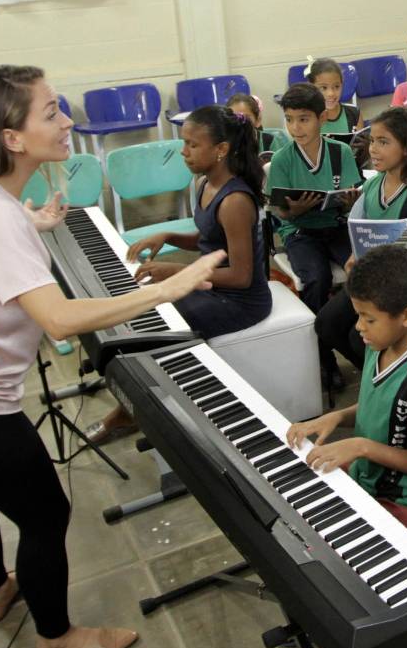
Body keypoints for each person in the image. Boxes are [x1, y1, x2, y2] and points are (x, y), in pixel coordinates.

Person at [0, 65, 222, 648]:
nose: (68, 120)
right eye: (51, 112)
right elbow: (59, 320)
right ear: (12, 137)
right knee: (46, 514)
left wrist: (33, 223)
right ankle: (56, 639)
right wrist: (164, 291)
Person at [286, 245, 407, 648]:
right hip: (373, 477)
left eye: (367, 318)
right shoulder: (385, 349)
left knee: (349, 560)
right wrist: (337, 419)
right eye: (357, 316)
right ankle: (324, 621)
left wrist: (359, 446)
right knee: (307, 528)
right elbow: (383, 407)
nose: (357, 327)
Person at [88, 103, 274, 442]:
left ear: (221, 150)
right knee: (141, 309)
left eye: (192, 145)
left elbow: (241, 276)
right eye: (183, 143)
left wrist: (178, 273)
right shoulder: (205, 184)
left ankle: (136, 413)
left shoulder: (235, 201)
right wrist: (169, 236)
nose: (184, 153)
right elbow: (209, 239)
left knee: (155, 326)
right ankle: (134, 393)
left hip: (239, 300)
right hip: (210, 285)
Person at [316, 108, 407, 372]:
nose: (374, 149)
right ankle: (377, 373)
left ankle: (385, 377)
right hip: (375, 278)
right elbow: (362, 231)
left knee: (359, 338)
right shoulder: (374, 185)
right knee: (325, 324)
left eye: (384, 142)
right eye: (372, 141)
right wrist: (356, 258)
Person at [268, 82, 363, 312]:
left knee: (362, 270)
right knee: (317, 278)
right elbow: (280, 211)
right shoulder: (282, 159)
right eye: (289, 119)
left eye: (303, 119)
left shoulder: (340, 152)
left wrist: (349, 203)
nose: (295, 127)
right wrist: (294, 211)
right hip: (299, 232)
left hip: (336, 225)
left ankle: (353, 323)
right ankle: (319, 336)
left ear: (321, 118)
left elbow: (353, 195)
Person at [306, 58, 362, 136]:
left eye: (336, 86)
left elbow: (360, 146)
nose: (331, 93)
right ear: (311, 87)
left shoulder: (354, 113)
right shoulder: (306, 117)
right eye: (324, 88)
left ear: (342, 85)